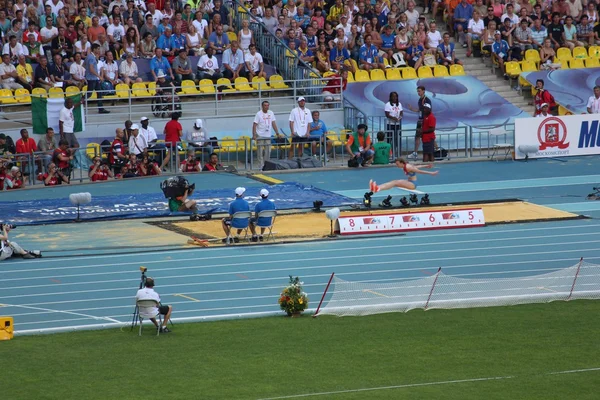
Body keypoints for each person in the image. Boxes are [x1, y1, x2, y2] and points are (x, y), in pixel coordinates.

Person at [369, 158, 439, 193]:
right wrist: (426, 165)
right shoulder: (406, 166)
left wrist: (431, 173)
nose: (397, 166)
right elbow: (417, 167)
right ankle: (377, 188)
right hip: (410, 182)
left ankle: (377, 188)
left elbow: (419, 171)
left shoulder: (408, 167)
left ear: (402, 163)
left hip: (412, 184)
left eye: (397, 164)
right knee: (394, 182)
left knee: (395, 182)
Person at [407, 86, 432, 160]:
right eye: (417, 91)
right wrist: (412, 109)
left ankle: (437, 150)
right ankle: (415, 153)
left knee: (428, 136)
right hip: (420, 120)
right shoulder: (419, 100)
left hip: (424, 121)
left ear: (424, 91)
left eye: (419, 91)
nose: (418, 92)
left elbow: (429, 110)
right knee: (418, 136)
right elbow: (420, 110)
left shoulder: (427, 100)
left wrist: (426, 120)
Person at [253, 100, 281, 168]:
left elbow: (273, 123)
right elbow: (254, 125)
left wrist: (277, 133)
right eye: (265, 105)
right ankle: (260, 166)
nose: (266, 107)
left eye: (267, 105)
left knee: (268, 152)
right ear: (262, 106)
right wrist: (254, 134)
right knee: (260, 152)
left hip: (268, 135)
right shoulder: (258, 114)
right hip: (260, 135)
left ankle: (266, 165)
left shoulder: (271, 113)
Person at [85, 43, 110, 114]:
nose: (99, 50)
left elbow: (84, 65)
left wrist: (88, 73)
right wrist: (99, 76)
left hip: (94, 78)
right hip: (92, 78)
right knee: (89, 94)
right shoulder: (91, 58)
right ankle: (78, 102)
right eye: (98, 49)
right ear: (94, 49)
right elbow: (91, 69)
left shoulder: (89, 57)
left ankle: (101, 108)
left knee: (99, 93)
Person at [384, 91, 403, 158]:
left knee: (397, 139)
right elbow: (387, 114)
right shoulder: (388, 104)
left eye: (396, 96)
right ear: (390, 97)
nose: (395, 97)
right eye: (393, 96)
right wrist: (394, 118)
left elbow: (401, 112)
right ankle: (389, 154)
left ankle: (397, 153)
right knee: (389, 139)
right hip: (390, 124)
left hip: (397, 124)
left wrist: (399, 117)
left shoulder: (399, 104)